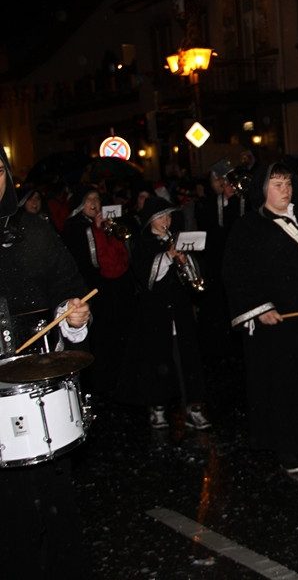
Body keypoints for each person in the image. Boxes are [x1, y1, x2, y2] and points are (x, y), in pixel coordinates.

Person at [0, 148, 93, 578]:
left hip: (37, 393)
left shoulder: (33, 232)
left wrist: (73, 314)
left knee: (52, 500)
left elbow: (67, 291)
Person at [222, 162, 298, 480]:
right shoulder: (248, 227)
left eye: (288, 183)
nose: (285, 190)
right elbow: (237, 274)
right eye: (276, 184)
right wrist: (259, 307)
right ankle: (286, 448)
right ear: (262, 189)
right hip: (274, 320)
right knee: (280, 386)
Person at [116, 196, 212, 430]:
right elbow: (147, 276)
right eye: (160, 217)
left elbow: (195, 277)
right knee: (157, 359)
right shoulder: (144, 244)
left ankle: (193, 407)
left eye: (168, 216)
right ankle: (157, 407)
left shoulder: (179, 240)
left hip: (180, 310)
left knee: (187, 358)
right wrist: (168, 256)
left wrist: (184, 259)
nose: (166, 221)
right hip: (155, 312)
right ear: (150, 221)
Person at [61, 185, 134, 395]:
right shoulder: (74, 227)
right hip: (91, 289)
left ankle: (121, 380)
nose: (94, 203)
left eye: (97, 199)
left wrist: (108, 230)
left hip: (115, 289)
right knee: (99, 339)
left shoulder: (107, 224)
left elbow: (122, 256)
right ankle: (100, 385)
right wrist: (95, 229)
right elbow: (85, 261)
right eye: (89, 199)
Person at [195, 161, 247, 365]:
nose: (222, 183)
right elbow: (211, 229)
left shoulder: (242, 201)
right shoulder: (206, 204)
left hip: (238, 267)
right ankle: (218, 349)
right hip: (215, 266)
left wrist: (233, 199)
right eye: (217, 180)